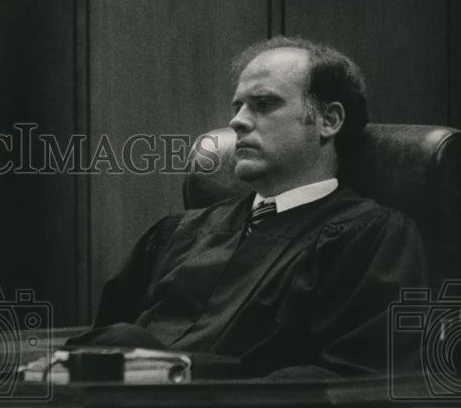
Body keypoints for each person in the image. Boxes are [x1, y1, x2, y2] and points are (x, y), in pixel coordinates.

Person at [70, 36, 427, 376]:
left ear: (328, 120)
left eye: (264, 104)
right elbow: (100, 351)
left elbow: (348, 379)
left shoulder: (369, 238)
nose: (236, 120)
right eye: (237, 105)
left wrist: (179, 376)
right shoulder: (178, 234)